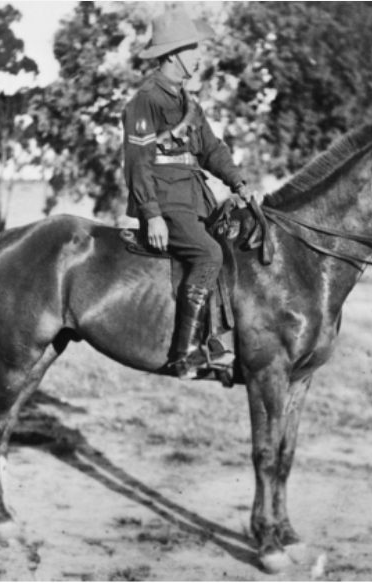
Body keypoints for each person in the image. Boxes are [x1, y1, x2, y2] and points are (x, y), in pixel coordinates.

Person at [123, 9, 255, 380]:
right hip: (166, 201)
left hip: (194, 199)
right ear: (174, 53)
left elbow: (211, 149)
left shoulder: (188, 104)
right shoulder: (145, 101)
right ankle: (185, 353)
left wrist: (238, 182)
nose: (199, 55)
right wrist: (151, 214)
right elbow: (137, 161)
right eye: (194, 47)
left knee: (230, 247)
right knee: (209, 252)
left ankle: (212, 337)